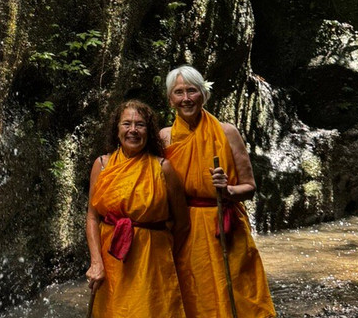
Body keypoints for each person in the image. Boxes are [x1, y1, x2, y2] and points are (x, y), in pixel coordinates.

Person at [161, 66, 276, 318]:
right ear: (171, 99)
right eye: (179, 92)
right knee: (192, 293)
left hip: (224, 225)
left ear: (203, 94)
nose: (186, 98)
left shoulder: (226, 132)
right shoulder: (165, 139)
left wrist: (227, 190)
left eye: (192, 90)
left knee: (236, 292)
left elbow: (249, 188)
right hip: (184, 228)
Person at [86, 99, 189, 318]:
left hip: (152, 260)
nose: (133, 130)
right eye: (127, 124)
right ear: (117, 129)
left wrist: (163, 254)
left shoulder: (163, 168)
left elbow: (182, 223)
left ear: (148, 131)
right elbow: (93, 217)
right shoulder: (102, 165)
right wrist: (96, 262)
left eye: (140, 124)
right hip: (111, 260)